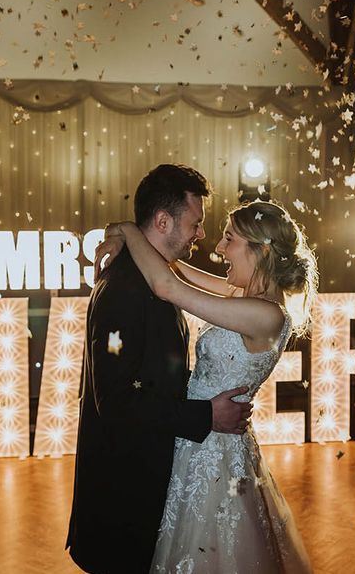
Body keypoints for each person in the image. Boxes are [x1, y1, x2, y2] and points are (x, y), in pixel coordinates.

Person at [95, 198, 317, 572]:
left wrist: (130, 230)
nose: (217, 248)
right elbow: (174, 269)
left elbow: (167, 286)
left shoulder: (264, 314)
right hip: (200, 434)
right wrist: (128, 239)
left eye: (228, 239)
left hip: (213, 451)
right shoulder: (248, 299)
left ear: (261, 250)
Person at [65, 164, 252, 573]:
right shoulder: (123, 291)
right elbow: (114, 399)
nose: (201, 235)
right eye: (196, 223)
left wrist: (125, 232)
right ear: (164, 221)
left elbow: (155, 372)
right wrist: (207, 415)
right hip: (123, 502)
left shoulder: (154, 276)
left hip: (149, 489)